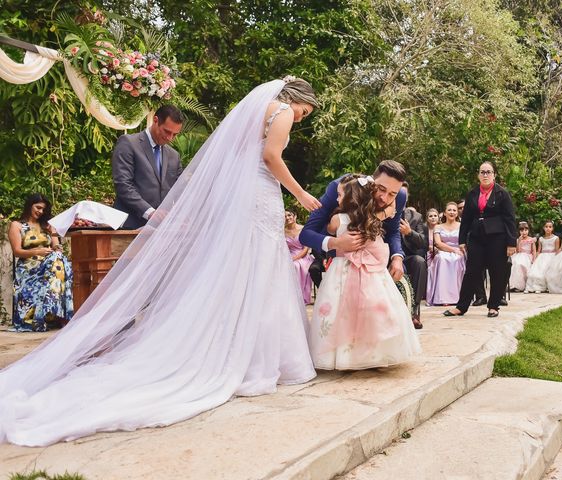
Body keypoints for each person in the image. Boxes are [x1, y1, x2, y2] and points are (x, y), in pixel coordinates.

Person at [0, 78, 322, 446]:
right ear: (296, 99)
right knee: (259, 271)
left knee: (249, 270)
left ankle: (245, 354)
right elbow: (270, 157)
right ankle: (257, 359)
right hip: (261, 194)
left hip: (247, 196)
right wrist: (301, 192)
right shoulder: (279, 110)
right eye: (304, 112)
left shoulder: (255, 113)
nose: (300, 119)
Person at [308, 175, 421, 370]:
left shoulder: (337, 219)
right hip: (373, 274)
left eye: (340, 195)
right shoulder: (375, 219)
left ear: (350, 198)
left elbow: (326, 228)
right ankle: (374, 354)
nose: (336, 198)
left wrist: (397, 256)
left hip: (342, 271)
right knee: (372, 311)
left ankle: (345, 356)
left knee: (342, 312)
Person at [300, 160, 408, 283]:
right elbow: (306, 234)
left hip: (377, 262)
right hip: (341, 261)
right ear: (371, 180)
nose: (384, 198)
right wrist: (336, 243)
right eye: (381, 189)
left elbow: (393, 231)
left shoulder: (400, 197)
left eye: (392, 194)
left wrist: (397, 258)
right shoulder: (342, 187)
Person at [443, 161, 517, 318]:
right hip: (477, 237)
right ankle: (461, 307)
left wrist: (511, 243)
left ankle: (493, 306)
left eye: (488, 172)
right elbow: (467, 219)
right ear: (478, 175)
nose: (485, 175)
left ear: (494, 175)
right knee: (471, 271)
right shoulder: (472, 193)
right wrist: (462, 240)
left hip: (498, 237)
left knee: (497, 272)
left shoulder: (502, 193)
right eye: (482, 172)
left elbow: (510, 219)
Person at [8, 194, 73, 332]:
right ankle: (60, 315)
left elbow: (57, 248)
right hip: (28, 267)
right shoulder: (17, 225)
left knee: (59, 261)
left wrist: (54, 236)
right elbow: (17, 251)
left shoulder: (47, 226)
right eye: (38, 207)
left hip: (49, 264)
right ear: (29, 205)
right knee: (59, 265)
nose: (41, 212)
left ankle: (53, 314)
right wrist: (37, 252)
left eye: (43, 209)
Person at [112, 105, 185, 229]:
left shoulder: (174, 155)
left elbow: (180, 190)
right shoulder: (128, 143)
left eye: (175, 134)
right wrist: (150, 212)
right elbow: (123, 184)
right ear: (155, 120)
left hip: (161, 230)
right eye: (167, 131)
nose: (170, 138)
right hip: (129, 227)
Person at [399, 182, 427, 329]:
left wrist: (409, 233)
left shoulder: (415, 217)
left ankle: (414, 312)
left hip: (407, 257)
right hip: (385, 258)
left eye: (404, 194)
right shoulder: (382, 213)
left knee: (419, 262)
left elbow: (423, 242)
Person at [427, 202, 465, 306]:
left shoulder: (462, 226)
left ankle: (457, 297)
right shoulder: (438, 227)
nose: (452, 212)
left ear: (457, 213)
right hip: (443, 251)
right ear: (444, 213)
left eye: (454, 210)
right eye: (449, 210)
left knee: (456, 259)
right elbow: (438, 243)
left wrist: (459, 250)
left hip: (459, 252)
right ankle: (442, 298)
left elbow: (464, 242)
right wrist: (453, 250)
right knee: (441, 259)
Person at [285, 210, 314, 304]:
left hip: (303, 256)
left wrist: (294, 259)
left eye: (289, 215)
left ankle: (299, 296)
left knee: (295, 266)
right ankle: (287, 295)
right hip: (289, 255)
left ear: (295, 216)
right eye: (284, 216)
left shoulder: (303, 229)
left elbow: (306, 249)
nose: (287, 218)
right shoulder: (282, 232)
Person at [525, 220, 560, 293]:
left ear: (552, 228)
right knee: (536, 272)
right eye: (546, 227)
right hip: (542, 256)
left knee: (547, 272)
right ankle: (534, 286)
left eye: (550, 227)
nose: (548, 228)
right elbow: (538, 250)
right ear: (543, 228)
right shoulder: (541, 239)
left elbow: (557, 250)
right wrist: (535, 259)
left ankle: (543, 287)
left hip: (552, 256)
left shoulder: (556, 238)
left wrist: (557, 260)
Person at [509, 221, 537, 292]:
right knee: (515, 264)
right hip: (520, 255)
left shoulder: (531, 239)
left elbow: (533, 250)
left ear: (528, 230)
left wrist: (534, 259)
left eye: (526, 230)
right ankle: (516, 285)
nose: (524, 232)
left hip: (528, 256)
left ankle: (524, 285)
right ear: (519, 231)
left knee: (522, 264)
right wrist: (519, 242)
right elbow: (518, 250)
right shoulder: (518, 239)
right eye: (522, 230)